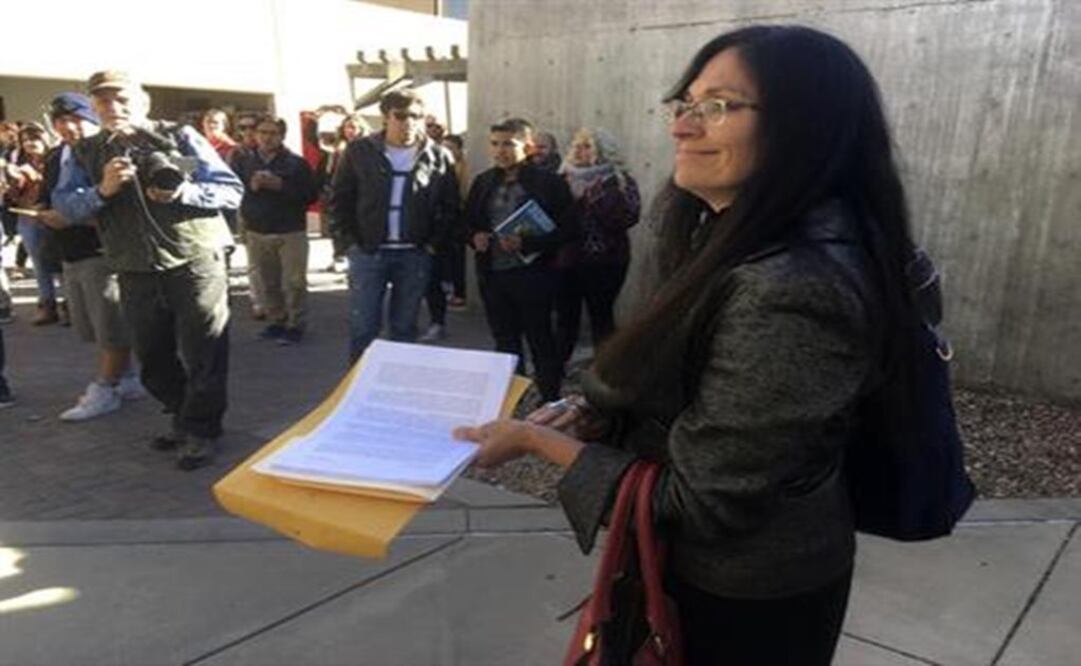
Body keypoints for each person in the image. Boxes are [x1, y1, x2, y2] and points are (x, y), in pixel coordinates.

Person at [454, 25, 925, 664]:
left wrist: (539, 443)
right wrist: (595, 418)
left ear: (806, 129)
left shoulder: (793, 286)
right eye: (685, 105)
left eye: (719, 107)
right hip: (715, 578)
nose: (682, 126)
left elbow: (703, 503)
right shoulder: (736, 237)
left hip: (742, 601)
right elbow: (694, 395)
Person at [53, 70, 243, 470]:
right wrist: (101, 191)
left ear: (142, 102)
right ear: (95, 106)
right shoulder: (85, 151)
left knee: (204, 350)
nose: (113, 107)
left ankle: (201, 430)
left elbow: (231, 188)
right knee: (152, 357)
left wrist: (183, 191)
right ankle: (183, 415)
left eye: (121, 99)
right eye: (103, 101)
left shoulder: (179, 136)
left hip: (194, 258)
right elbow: (65, 206)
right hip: (133, 265)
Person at [36, 92, 145, 421]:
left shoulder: (107, 150)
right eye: (61, 121)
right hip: (69, 251)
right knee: (92, 325)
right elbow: (47, 195)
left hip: (102, 250)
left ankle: (106, 387)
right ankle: (126, 379)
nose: (68, 127)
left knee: (111, 323)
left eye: (75, 118)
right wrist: (43, 210)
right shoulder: (57, 156)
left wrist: (74, 215)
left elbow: (123, 203)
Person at [330, 89, 460, 364]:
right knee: (364, 328)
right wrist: (349, 244)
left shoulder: (437, 155)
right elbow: (340, 200)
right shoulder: (359, 151)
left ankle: (396, 393)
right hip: (369, 252)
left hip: (414, 254)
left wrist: (432, 244)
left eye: (416, 116)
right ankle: (358, 393)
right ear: (386, 118)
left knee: (404, 330)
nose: (409, 122)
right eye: (401, 116)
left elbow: (450, 207)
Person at [465, 118, 577, 402]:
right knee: (505, 343)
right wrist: (473, 236)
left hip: (534, 276)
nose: (500, 151)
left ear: (527, 147)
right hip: (493, 275)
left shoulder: (549, 183)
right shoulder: (483, 182)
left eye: (508, 144)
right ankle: (510, 401)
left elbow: (571, 229)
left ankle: (550, 401)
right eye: (495, 144)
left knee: (541, 341)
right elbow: (465, 223)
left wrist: (527, 243)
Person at [554, 128, 641, 365]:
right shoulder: (562, 178)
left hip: (606, 261)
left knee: (601, 317)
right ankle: (554, 375)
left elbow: (629, 217)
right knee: (565, 320)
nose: (579, 151)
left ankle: (605, 372)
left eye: (587, 146)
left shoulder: (619, 180)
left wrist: (593, 198)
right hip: (567, 260)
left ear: (603, 152)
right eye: (577, 145)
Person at [231, 114, 317, 345]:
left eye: (273, 133)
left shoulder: (296, 163)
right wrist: (252, 186)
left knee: (294, 282)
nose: (267, 138)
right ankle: (276, 321)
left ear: (281, 136)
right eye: (262, 133)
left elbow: (310, 196)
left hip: (290, 230)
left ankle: (295, 324)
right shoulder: (244, 161)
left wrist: (280, 186)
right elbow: (231, 191)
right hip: (257, 230)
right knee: (268, 282)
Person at [5, 123, 64, 325]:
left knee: (63, 261)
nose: (30, 143)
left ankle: (71, 304)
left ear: (45, 137)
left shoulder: (57, 158)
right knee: (39, 263)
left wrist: (36, 176)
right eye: (25, 140)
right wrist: (13, 182)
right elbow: (13, 196)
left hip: (56, 216)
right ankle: (47, 305)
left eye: (35, 138)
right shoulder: (18, 161)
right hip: (28, 217)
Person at [441, 134, 469, 309]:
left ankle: (460, 292)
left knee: (458, 257)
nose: (447, 152)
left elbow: (463, 194)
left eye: (451, 148)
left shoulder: (464, 167)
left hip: (459, 216)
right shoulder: (441, 165)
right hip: (444, 217)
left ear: (459, 149)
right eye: (444, 148)